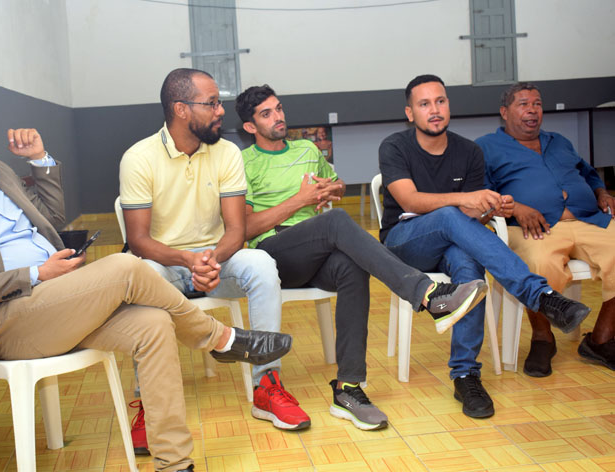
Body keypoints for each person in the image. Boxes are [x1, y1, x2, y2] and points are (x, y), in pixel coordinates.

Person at [0, 86, 292, 472]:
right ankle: (219, 339)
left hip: (55, 300)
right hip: (2, 321)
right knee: (126, 266)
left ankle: (174, 464)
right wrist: (38, 273)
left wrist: (39, 159)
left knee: (155, 324)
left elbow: (51, 220)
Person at [234, 84, 489, 430]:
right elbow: (246, 228)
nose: (278, 117)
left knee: (352, 267)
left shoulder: (307, 149)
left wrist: (332, 189)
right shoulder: (243, 162)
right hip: (274, 254)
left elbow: (337, 184)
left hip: (315, 249)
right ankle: (427, 295)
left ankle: (348, 389)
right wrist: (300, 200)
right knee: (336, 222)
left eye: (278, 108)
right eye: (267, 114)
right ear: (250, 126)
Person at [378, 74, 591, 419]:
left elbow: (471, 217)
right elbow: (410, 200)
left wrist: (492, 208)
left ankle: (465, 375)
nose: (435, 110)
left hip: (452, 239)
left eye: (440, 101)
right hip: (405, 242)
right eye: (424, 104)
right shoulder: (394, 146)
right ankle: (539, 295)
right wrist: (463, 200)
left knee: (469, 267)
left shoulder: (469, 151)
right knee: (449, 216)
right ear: (410, 113)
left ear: (449, 105)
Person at [118, 69, 294, 431]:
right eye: (211, 103)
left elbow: (236, 229)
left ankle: (267, 385)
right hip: (164, 264)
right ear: (181, 109)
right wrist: (187, 260)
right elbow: (138, 240)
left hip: (217, 260)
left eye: (219, 102)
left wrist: (211, 259)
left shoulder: (227, 152)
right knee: (143, 275)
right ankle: (149, 405)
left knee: (261, 263)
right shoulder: (139, 157)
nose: (220, 111)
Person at [477, 82, 615, 376]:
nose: (532, 110)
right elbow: (480, 196)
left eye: (537, 104)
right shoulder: (486, 147)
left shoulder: (560, 141)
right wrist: (515, 207)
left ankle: (601, 339)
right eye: (523, 104)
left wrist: (601, 192)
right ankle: (542, 338)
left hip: (588, 219)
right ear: (504, 112)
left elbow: (589, 174)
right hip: (532, 228)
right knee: (538, 263)